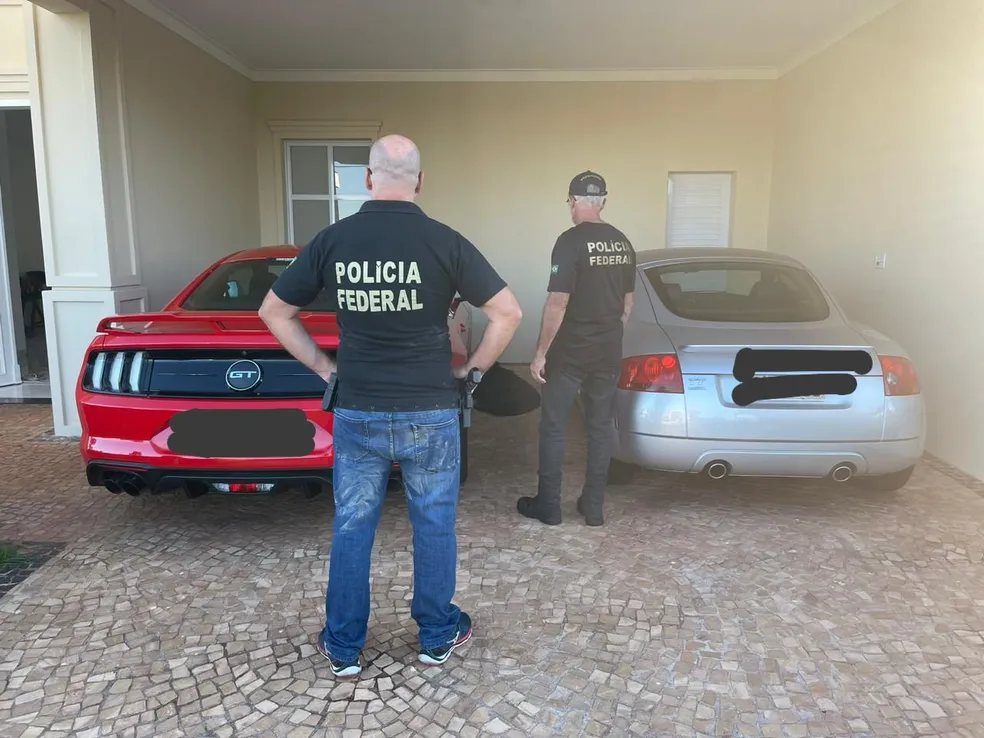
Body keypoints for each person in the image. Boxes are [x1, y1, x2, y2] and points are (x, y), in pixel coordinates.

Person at [259, 134, 522, 678]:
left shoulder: (333, 239)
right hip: (431, 409)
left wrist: (325, 369)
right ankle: (437, 634)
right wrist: (472, 372)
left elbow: (274, 311)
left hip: (359, 408)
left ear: (368, 178)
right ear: (420, 181)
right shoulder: (445, 241)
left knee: (353, 526)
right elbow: (508, 313)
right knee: (434, 524)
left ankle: (343, 645)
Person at [517, 171, 635, 528]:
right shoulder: (622, 243)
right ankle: (594, 507)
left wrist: (541, 353)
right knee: (600, 428)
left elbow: (558, 302)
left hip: (570, 353)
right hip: (608, 351)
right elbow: (627, 304)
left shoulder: (569, 242)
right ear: (603, 202)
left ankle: (549, 506)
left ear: (572, 201)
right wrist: (608, 333)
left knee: (554, 426)